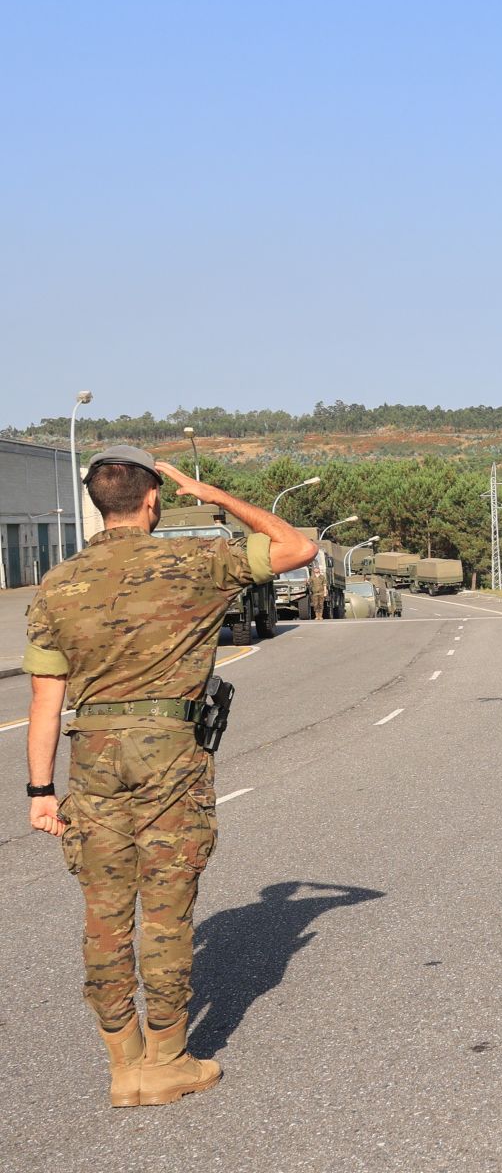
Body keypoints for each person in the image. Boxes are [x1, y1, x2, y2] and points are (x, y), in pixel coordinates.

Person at [22, 447, 315, 1106]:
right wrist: (212, 492)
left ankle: (124, 1068)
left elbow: (45, 701)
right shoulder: (196, 562)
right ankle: (170, 1057)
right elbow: (296, 548)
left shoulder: (57, 584)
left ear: (99, 506)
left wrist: (41, 792)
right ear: (154, 500)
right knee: (165, 912)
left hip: (92, 759)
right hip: (170, 761)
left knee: (104, 916)